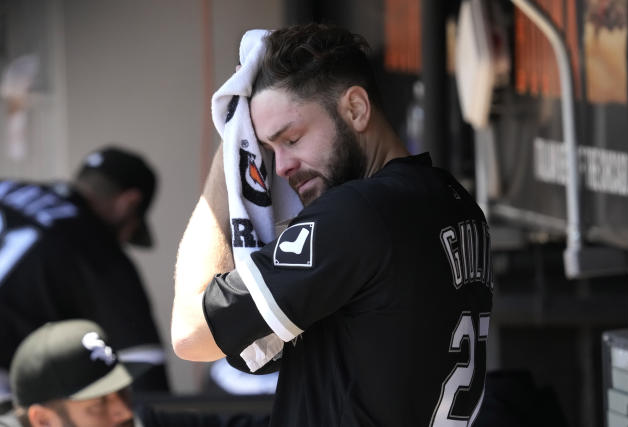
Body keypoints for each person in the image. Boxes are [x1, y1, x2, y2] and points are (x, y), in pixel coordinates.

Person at [172, 23, 493, 426]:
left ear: (356, 108)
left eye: (291, 138)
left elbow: (190, 332)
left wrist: (234, 148)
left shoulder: (358, 214)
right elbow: (259, 352)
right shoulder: (453, 201)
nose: (282, 166)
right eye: (266, 148)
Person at [0, 146, 168, 395]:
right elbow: (144, 362)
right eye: (131, 231)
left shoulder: (8, 189)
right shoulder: (94, 242)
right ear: (129, 203)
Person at [0, 319, 270, 427]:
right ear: (43, 421)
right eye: (98, 404)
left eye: (121, 390)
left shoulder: (140, 421)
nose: (123, 410)